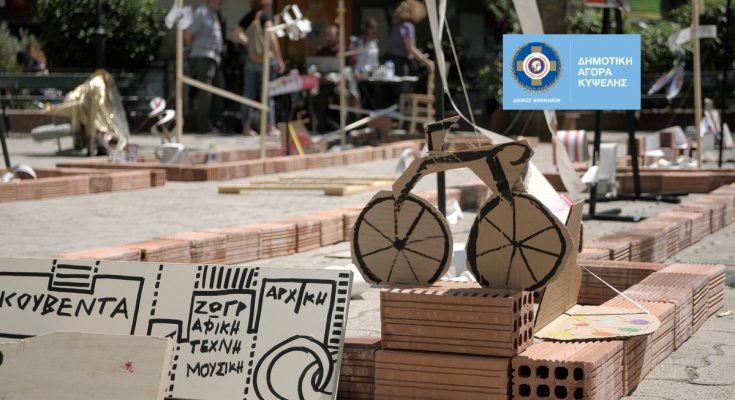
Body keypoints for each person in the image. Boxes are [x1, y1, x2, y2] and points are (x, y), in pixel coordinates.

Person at [234, 0, 285, 136]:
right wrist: (279, 59)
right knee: (268, 94)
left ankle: (246, 127)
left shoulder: (248, 16)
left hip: (252, 60)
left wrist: (249, 44)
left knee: (248, 94)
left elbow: (237, 32)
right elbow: (271, 37)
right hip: (266, 61)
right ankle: (270, 126)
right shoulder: (265, 16)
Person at [185, 0, 225, 133]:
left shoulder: (213, 13)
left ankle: (215, 122)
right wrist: (193, 50)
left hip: (214, 57)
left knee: (218, 90)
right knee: (205, 92)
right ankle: (204, 125)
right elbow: (189, 34)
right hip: (204, 57)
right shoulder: (201, 12)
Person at [384, 0, 434, 77]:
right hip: (400, 61)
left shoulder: (397, 25)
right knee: (403, 83)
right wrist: (427, 62)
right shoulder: (408, 26)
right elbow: (411, 48)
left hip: (389, 60)